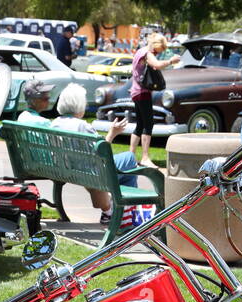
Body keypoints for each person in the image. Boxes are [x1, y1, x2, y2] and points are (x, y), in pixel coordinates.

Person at [51, 83, 136, 223]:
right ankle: (125, 212)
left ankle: (110, 211)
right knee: (130, 159)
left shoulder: (55, 123)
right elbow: (101, 154)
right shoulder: (82, 126)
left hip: (66, 169)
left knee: (125, 166)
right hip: (89, 171)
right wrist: (112, 133)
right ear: (78, 105)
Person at [129, 32, 180, 167]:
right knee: (148, 124)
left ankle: (131, 157)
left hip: (136, 92)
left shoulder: (140, 51)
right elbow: (156, 65)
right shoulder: (147, 53)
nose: (159, 53)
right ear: (156, 46)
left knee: (140, 125)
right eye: (160, 50)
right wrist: (171, 61)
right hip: (143, 93)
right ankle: (145, 157)